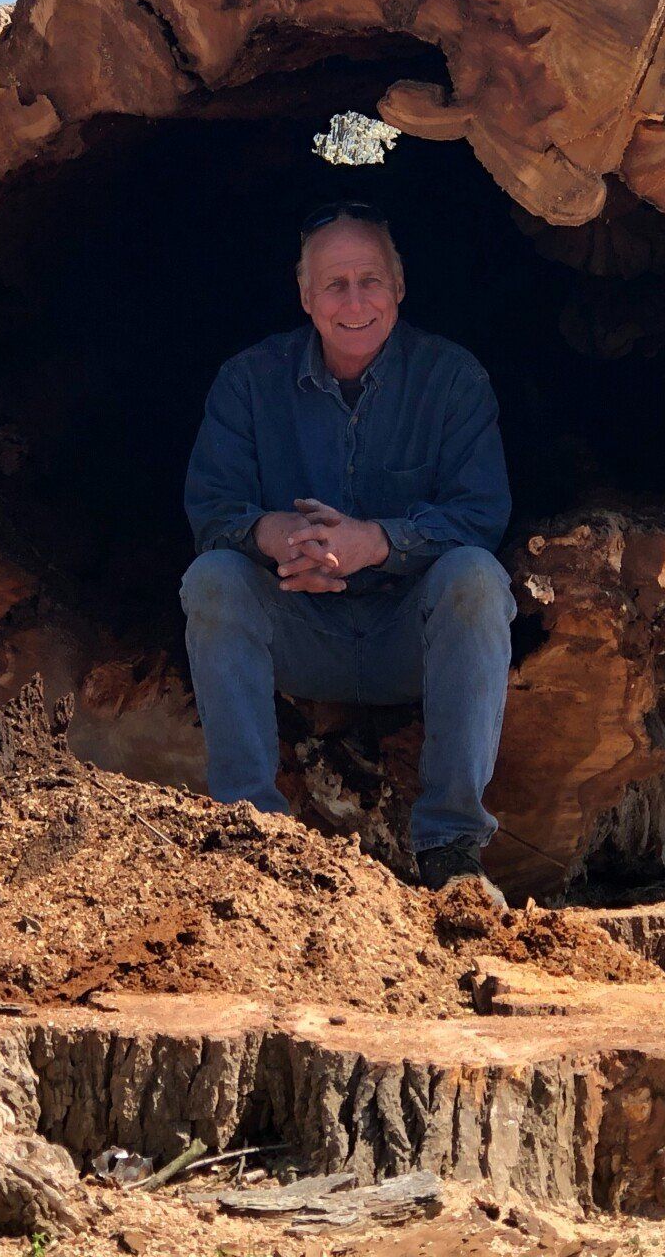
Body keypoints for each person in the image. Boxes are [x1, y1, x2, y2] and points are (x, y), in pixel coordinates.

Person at [181, 200, 516, 899]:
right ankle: (252, 837)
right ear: (305, 296)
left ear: (400, 287)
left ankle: (452, 846)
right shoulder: (248, 382)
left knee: (477, 579)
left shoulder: (453, 379)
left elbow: (482, 515)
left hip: (411, 641)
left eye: (371, 281)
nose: (355, 301)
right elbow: (211, 510)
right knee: (213, 579)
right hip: (301, 634)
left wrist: (376, 542)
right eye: (335, 284)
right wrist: (273, 534)